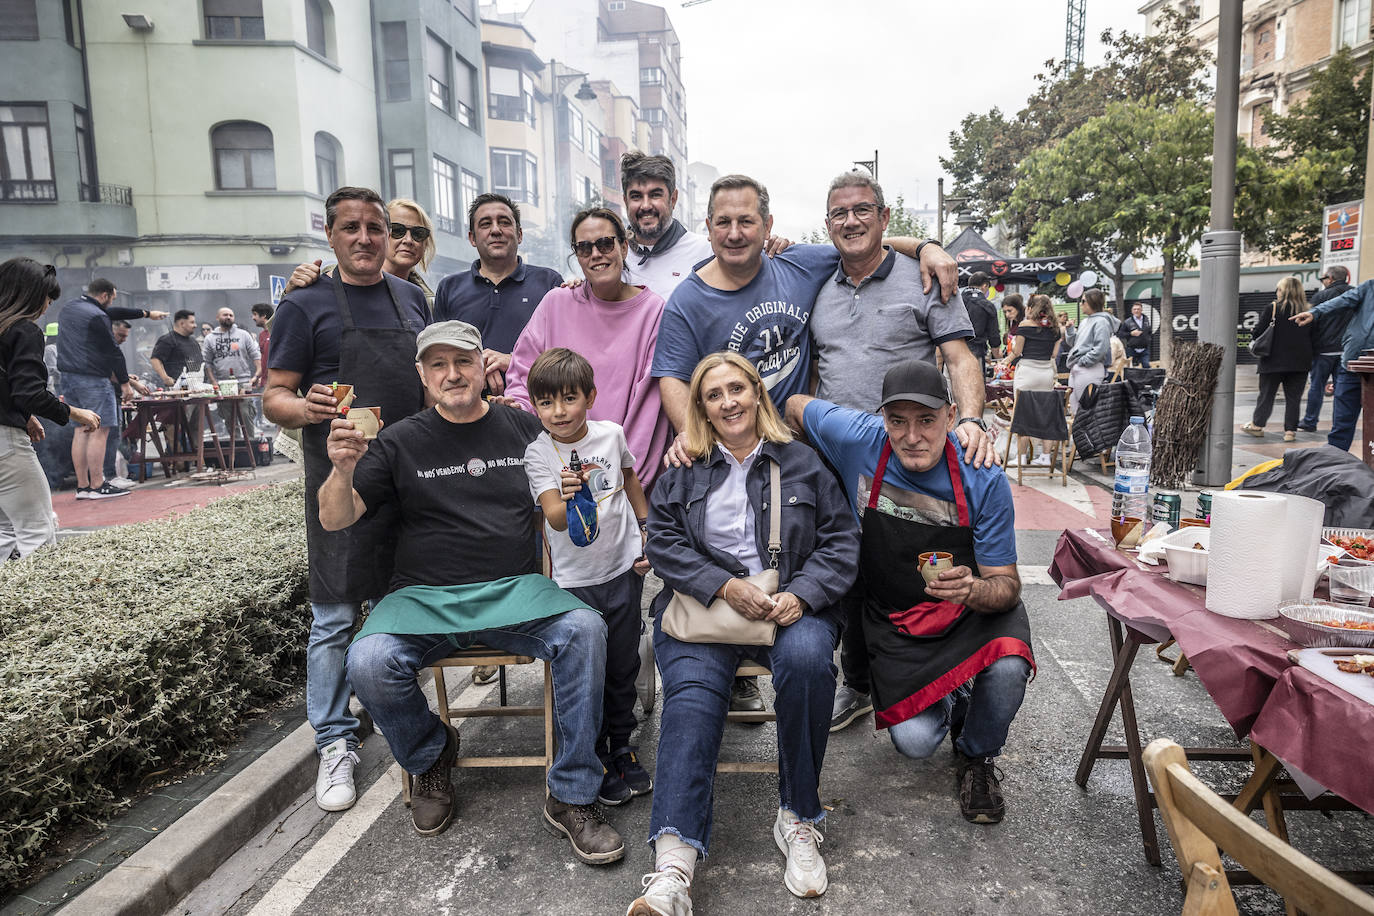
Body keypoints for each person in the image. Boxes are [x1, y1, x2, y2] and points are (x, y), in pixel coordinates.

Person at [653, 173, 959, 715]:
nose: (735, 231)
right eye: (723, 221)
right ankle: (740, 667)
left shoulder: (801, 265)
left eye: (747, 220)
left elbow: (864, 240)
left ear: (768, 225)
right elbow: (673, 376)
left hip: (806, 450)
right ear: (708, 228)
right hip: (737, 453)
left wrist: (930, 246)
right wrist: (693, 435)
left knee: (850, 554)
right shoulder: (687, 300)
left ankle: (889, 675)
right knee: (740, 544)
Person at [325, 320, 625, 862]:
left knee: (585, 629)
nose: (451, 374)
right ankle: (431, 753)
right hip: (423, 597)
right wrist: (342, 471)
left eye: (462, 361)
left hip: (515, 591)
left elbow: (589, 467)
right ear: (422, 374)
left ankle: (573, 794)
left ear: (482, 367)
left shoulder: (524, 429)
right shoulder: (398, 441)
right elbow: (336, 517)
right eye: (437, 364)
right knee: (367, 660)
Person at [629, 352, 859, 915]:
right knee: (692, 699)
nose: (728, 402)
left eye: (737, 389)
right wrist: (723, 586)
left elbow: (842, 542)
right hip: (705, 610)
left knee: (808, 665)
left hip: (788, 606)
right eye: (714, 394)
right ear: (701, 408)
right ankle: (673, 866)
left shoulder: (802, 463)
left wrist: (800, 595)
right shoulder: (684, 467)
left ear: (758, 393)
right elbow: (662, 540)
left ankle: (799, 818)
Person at [787, 359, 1033, 828]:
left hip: (970, 616)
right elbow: (796, 405)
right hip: (898, 618)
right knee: (914, 743)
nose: (912, 436)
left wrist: (973, 589)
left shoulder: (983, 477)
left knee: (1006, 669)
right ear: (882, 420)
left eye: (926, 420)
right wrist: (802, 464)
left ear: (951, 415)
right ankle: (956, 696)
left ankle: (977, 756)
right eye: (897, 421)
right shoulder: (859, 437)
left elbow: (1007, 587)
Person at [263, 186, 430, 813]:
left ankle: (402, 722)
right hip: (338, 476)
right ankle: (334, 742)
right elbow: (273, 395)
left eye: (375, 228)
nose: (365, 238)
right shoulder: (304, 304)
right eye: (351, 228)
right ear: (330, 237)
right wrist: (304, 407)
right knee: (334, 616)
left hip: (408, 479)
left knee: (400, 607)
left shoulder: (412, 297)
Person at [806, 170, 992, 734]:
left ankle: (960, 677)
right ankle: (857, 682)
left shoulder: (924, 278)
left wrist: (973, 420)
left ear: (886, 219)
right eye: (839, 213)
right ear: (828, 223)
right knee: (848, 572)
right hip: (837, 461)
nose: (851, 222)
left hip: (909, 454)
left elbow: (960, 357)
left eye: (864, 210)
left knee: (925, 570)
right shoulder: (817, 281)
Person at [522, 347, 653, 807]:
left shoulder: (612, 435)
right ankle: (593, 749)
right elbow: (555, 518)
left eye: (569, 398)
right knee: (586, 673)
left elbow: (631, 478)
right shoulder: (538, 453)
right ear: (535, 406)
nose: (558, 412)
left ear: (591, 396)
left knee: (622, 665)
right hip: (575, 587)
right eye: (546, 403)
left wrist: (645, 527)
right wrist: (564, 492)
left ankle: (622, 744)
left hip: (622, 572)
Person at [505, 207, 672, 490]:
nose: (596, 254)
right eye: (584, 248)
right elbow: (522, 376)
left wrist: (621, 479)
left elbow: (651, 408)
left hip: (624, 480)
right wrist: (518, 412)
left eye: (605, 243)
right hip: (559, 474)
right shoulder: (556, 303)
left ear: (624, 246)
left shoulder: (653, 311)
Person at [1, 259, 101, 559]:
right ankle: (36, 604)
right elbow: (29, 391)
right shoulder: (24, 331)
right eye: (46, 298)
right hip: (5, 444)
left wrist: (26, 416)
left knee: (4, 530)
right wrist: (73, 412)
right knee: (38, 530)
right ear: (29, 295)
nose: (46, 307)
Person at [432, 193, 563, 395]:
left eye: (504, 222)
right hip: (468, 407)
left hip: (538, 407)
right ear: (472, 238)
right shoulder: (449, 288)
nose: (495, 230)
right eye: (485, 224)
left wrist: (514, 361)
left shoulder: (549, 283)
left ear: (519, 234)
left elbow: (565, 353)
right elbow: (438, 357)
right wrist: (477, 365)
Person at [55, 278, 139, 499]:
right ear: (104, 295)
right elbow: (113, 351)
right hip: (92, 379)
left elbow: (113, 312)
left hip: (68, 377)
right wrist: (124, 382)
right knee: (99, 430)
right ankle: (98, 484)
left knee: (81, 429)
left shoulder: (70, 308)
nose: (111, 304)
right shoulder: (98, 316)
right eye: (111, 298)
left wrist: (146, 313)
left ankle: (83, 487)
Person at [287, 197, 440, 318]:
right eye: (397, 230)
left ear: (426, 243)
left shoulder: (427, 301)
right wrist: (290, 293)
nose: (408, 240)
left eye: (418, 233)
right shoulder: (325, 281)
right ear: (382, 234)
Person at [1292, 274, 1374, 453]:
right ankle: (1333, 456)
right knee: (1342, 417)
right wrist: (1314, 312)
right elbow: (1341, 301)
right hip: (1352, 361)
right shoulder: (1369, 287)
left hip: (1366, 364)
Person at [620, 151, 715, 299]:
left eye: (655, 195)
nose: (645, 206)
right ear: (626, 202)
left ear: (673, 199)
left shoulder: (706, 252)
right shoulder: (613, 257)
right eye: (636, 196)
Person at [1241, 277, 1313, 443]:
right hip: (1300, 362)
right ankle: (1290, 432)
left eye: (1279, 289)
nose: (1277, 292)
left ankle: (1257, 426)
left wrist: (1254, 331)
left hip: (1272, 360)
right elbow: (1314, 337)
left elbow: (1258, 333)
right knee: (1294, 398)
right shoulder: (1309, 311)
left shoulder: (1273, 308)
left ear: (1284, 291)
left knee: (1266, 395)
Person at [1009, 294, 1065, 467]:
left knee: (1023, 415)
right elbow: (1054, 355)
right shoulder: (1057, 329)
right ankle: (1045, 457)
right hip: (1046, 374)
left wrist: (1005, 362)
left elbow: (1017, 352)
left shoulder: (1025, 325)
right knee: (1045, 414)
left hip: (1027, 372)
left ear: (1031, 308)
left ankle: (1022, 457)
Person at [1298, 266, 1355, 432]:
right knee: (1342, 388)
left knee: (1316, 386)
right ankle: (1339, 422)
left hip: (1323, 350)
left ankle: (1310, 421)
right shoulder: (1354, 294)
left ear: (1330, 278)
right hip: (1347, 350)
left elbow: (1311, 323)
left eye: (1324, 279)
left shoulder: (1321, 296)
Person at [1064, 289, 1119, 416]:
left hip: (1089, 369)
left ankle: (1086, 435)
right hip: (1079, 368)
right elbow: (1076, 343)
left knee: (1087, 409)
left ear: (1091, 302)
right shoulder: (1086, 321)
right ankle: (1080, 435)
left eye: (1083, 301)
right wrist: (1070, 330)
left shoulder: (1101, 322)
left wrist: (1083, 361)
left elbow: (1101, 347)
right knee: (1076, 408)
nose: (1080, 304)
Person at [150, 310, 203, 388]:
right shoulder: (167, 340)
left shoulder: (193, 341)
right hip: (176, 387)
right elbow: (155, 360)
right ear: (182, 324)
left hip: (196, 386)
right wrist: (165, 378)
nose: (195, 325)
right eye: (192, 322)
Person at [961, 271, 1002, 370]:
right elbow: (994, 336)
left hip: (952, 352)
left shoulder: (956, 301)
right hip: (976, 352)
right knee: (975, 384)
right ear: (984, 286)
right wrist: (999, 360)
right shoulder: (988, 306)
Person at [1115, 302, 1152, 368]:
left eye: (1138, 309)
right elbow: (1120, 334)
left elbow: (1149, 332)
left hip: (1144, 349)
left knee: (1146, 366)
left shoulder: (1147, 320)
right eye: (1134, 309)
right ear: (1132, 311)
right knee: (1131, 368)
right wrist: (1131, 334)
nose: (1136, 311)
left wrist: (1147, 339)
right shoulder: (1127, 322)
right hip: (1132, 349)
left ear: (1141, 310)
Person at [251, 303, 273, 388]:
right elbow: (263, 359)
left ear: (263, 315)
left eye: (255, 314)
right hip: (265, 383)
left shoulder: (277, 332)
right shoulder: (262, 335)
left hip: (276, 382)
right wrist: (257, 377)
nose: (253, 318)